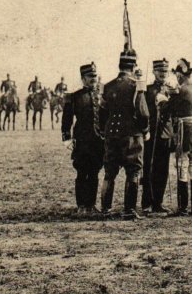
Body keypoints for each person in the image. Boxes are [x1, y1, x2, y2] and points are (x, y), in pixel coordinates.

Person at [98, 49, 150, 220]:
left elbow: (102, 112)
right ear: (133, 66)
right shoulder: (136, 86)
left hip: (111, 134)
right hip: (131, 135)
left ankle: (106, 209)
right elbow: (143, 113)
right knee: (133, 171)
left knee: (109, 172)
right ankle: (128, 209)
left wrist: (104, 130)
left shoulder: (108, 86)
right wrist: (146, 130)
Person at [163, 58, 192, 216]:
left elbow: (169, 109)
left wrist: (162, 100)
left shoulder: (179, 91)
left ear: (180, 76)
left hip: (184, 130)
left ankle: (183, 208)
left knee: (182, 167)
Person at [62, 62, 105, 215]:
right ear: (83, 78)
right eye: (89, 77)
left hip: (98, 141)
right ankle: (81, 206)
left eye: (94, 76)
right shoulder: (75, 97)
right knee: (81, 172)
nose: (92, 79)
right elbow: (67, 118)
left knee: (94, 172)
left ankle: (91, 205)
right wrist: (66, 137)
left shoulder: (102, 95)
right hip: (81, 141)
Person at [141, 59, 175, 215]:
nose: (162, 74)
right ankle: (146, 203)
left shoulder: (172, 90)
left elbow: (175, 114)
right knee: (148, 168)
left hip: (165, 134)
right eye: (159, 71)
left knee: (163, 170)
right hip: (150, 134)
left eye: (165, 72)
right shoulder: (148, 90)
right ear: (154, 72)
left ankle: (158, 203)